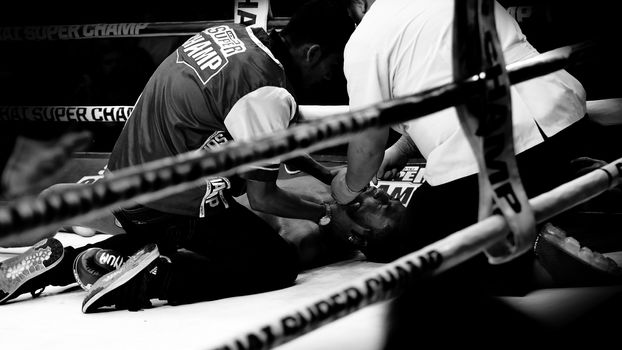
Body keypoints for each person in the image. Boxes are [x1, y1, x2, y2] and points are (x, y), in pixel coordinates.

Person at [0, 0, 359, 312]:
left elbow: (273, 140)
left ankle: (70, 261)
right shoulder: (265, 86)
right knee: (274, 263)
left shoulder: (231, 34)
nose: (334, 75)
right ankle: (154, 279)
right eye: (335, 62)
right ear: (312, 52)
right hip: (164, 201)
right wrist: (327, 215)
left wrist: (327, 176)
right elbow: (263, 197)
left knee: (226, 216)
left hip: (129, 176)